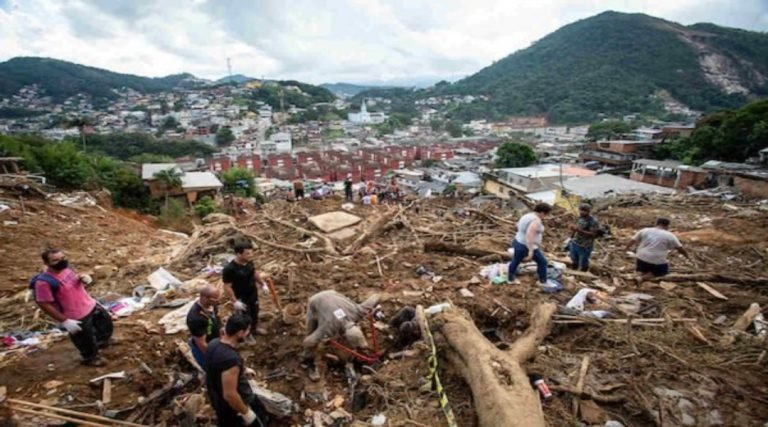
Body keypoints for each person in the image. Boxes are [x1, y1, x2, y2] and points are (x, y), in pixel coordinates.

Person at [32, 248, 113, 366]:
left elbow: (73, 281)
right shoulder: (44, 283)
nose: (61, 262)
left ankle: (103, 341)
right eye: (55, 260)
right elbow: (43, 303)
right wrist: (64, 321)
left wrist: (82, 279)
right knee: (85, 339)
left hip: (89, 304)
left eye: (62, 258)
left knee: (104, 323)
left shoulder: (67, 268)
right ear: (46, 263)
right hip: (75, 315)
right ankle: (90, 358)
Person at [205, 313, 269, 427]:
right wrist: (246, 413)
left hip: (217, 399)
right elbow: (230, 394)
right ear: (240, 333)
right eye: (247, 330)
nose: (248, 333)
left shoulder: (213, 344)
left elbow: (217, 368)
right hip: (236, 405)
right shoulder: (231, 360)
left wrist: (241, 370)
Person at [302, 290, 380, 380]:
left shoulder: (358, 312)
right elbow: (307, 342)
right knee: (310, 335)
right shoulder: (329, 328)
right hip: (315, 301)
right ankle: (308, 362)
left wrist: (377, 302)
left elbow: (375, 297)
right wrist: (317, 340)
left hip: (332, 293)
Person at [222, 240, 268, 344]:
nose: (250, 255)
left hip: (252, 293)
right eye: (247, 253)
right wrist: (234, 301)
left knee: (255, 312)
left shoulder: (249, 262)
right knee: (245, 317)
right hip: (241, 297)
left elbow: (254, 272)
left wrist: (262, 284)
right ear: (238, 254)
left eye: (251, 252)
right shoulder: (229, 269)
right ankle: (247, 335)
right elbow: (227, 286)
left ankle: (254, 329)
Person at [625, 217, 690, 281]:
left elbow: (632, 240)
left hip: (641, 257)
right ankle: (642, 278)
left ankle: (640, 273)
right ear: (667, 226)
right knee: (662, 272)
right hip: (656, 260)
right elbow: (680, 248)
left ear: (656, 223)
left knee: (643, 269)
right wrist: (687, 256)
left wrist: (626, 249)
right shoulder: (670, 235)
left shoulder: (644, 230)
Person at [507, 203, 553, 285]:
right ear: (542, 212)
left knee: (516, 260)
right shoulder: (536, 220)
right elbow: (529, 235)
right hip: (526, 245)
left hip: (518, 241)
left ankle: (510, 279)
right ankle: (543, 281)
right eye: (546, 214)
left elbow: (517, 225)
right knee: (542, 262)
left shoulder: (527, 215)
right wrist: (531, 250)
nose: (546, 216)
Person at [187, 285, 222, 369]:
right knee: (212, 370)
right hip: (204, 349)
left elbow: (217, 319)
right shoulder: (196, 318)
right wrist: (213, 357)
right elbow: (201, 344)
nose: (218, 302)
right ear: (205, 298)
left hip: (214, 341)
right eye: (215, 300)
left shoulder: (212, 305)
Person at [568, 204, 600, 272]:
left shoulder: (593, 221)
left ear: (588, 211)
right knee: (574, 259)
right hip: (575, 242)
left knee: (583, 261)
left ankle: (583, 275)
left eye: (583, 211)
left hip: (585, 245)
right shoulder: (580, 218)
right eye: (580, 210)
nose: (581, 212)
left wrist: (578, 230)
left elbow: (593, 234)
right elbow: (576, 228)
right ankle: (574, 272)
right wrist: (572, 236)